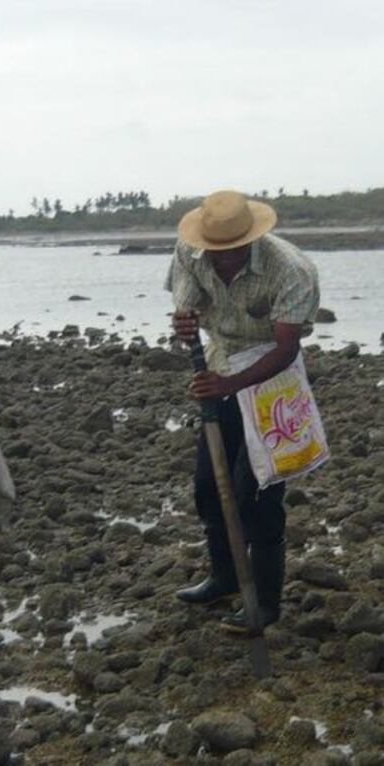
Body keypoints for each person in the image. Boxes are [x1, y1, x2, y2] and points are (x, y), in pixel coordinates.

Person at [166, 189, 320, 634]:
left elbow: (288, 348)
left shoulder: (290, 268)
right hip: (218, 365)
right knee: (208, 487)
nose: (220, 259)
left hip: (274, 377)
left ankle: (266, 602)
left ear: (248, 241)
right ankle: (224, 577)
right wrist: (183, 323)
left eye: (229, 251)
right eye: (213, 250)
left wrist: (232, 384)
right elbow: (186, 305)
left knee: (256, 493)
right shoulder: (189, 252)